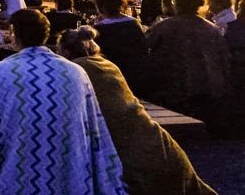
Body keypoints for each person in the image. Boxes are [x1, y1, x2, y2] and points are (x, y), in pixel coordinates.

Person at [0, 9, 124, 194]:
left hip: (18, 167)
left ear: (14, 34)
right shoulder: (75, 71)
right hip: (71, 166)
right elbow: (93, 126)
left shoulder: (1, 71)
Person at [58, 26, 217, 195]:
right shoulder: (107, 66)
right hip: (158, 145)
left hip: (129, 160)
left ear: (67, 53)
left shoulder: (76, 72)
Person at [147, 0, 230, 121]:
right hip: (206, 82)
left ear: (177, 5)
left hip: (173, 82)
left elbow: (148, 45)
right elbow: (223, 56)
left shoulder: (164, 26)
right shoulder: (211, 28)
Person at [93, 0, 151, 97]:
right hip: (136, 73)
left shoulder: (99, 29)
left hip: (111, 76)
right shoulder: (134, 23)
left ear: (100, 8)